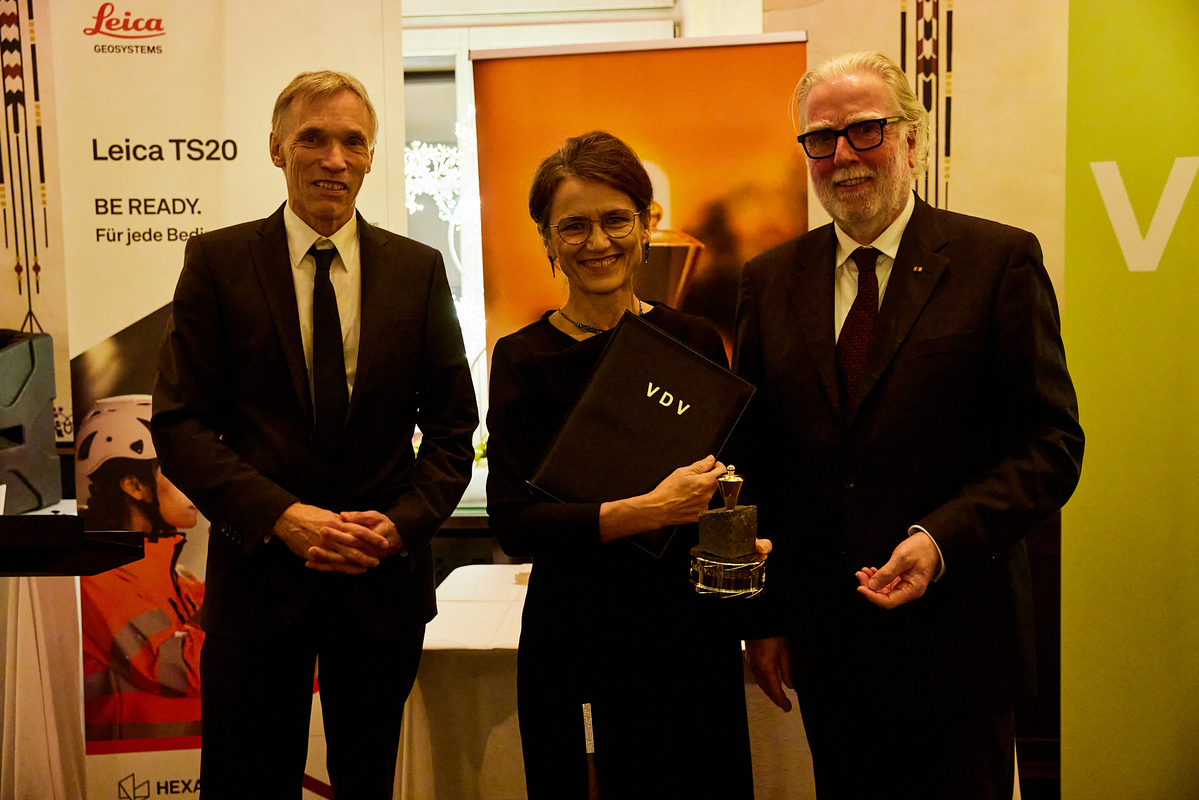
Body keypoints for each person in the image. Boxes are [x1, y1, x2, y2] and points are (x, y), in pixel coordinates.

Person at [733, 52, 1084, 799]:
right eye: (820, 138)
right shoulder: (768, 281)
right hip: (828, 649)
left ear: (913, 140)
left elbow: (1049, 446)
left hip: (958, 642)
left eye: (865, 130)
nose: (842, 155)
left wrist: (938, 540)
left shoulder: (998, 261)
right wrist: (764, 617)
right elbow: (756, 462)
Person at [152, 71, 478, 798]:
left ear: (370, 157)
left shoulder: (418, 270)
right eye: (313, 139)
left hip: (380, 584)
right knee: (245, 785)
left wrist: (400, 525)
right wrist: (282, 516)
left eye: (352, 142)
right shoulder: (217, 263)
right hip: (258, 581)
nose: (335, 158)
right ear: (277, 149)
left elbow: (454, 426)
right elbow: (179, 423)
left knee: (370, 784)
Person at [487, 130, 757, 800]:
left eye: (615, 220)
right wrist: (647, 512)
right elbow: (514, 522)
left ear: (645, 225)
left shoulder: (693, 341)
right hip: (578, 634)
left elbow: (725, 476)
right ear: (547, 239)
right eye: (573, 226)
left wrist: (737, 535)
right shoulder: (523, 359)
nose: (597, 242)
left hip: (687, 632)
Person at [77, 394, 205, 742]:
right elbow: (185, 667)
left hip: (178, 760)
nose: (200, 482)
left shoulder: (173, 574)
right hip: (132, 767)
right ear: (134, 486)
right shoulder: (98, 577)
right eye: (181, 470)